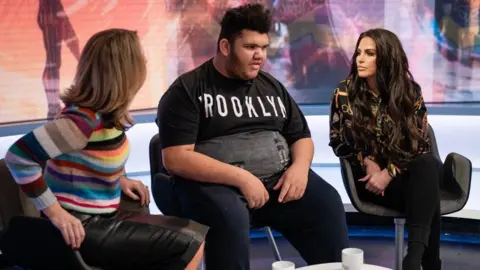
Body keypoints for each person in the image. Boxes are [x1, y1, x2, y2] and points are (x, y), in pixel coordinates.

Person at [155, 3, 349, 270]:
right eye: (250, 47)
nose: (260, 56)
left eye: (263, 47)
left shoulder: (271, 86)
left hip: (275, 185)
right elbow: (176, 158)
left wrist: (300, 169)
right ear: (225, 47)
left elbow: (301, 136)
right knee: (228, 215)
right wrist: (242, 178)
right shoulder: (187, 90)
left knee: (326, 201)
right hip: (214, 187)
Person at [4, 28, 207, 270]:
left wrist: (118, 179)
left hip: (104, 216)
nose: (144, 62)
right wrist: (57, 214)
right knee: (190, 241)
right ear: (123, 70)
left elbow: (83, 160)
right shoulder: (79, 123)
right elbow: (18, 158)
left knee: (196, 233)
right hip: (82, 226)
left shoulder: (106, 116)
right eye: (139, 57)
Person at [329, 28, 443, 270]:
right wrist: (367, 161)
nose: (360, 59)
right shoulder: (344, 92)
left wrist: (388, 172)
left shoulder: (410, 92)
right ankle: (428, 261)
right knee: (428, 190)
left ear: (387, 58)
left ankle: (413, 258)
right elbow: (337, 140)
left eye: (370, 53)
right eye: (359, 52)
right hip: (371, 183)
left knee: (427, 165)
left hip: (406, 174)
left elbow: (420, 144)